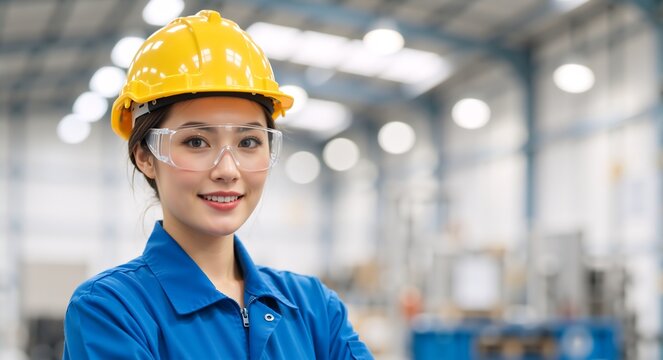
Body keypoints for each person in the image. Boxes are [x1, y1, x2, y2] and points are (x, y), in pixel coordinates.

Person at [62, 10, 373, 359]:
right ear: (144, 156)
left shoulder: (315, 309)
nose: (228, 169)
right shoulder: (112, 311)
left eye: (249, 142)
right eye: (196, 141)